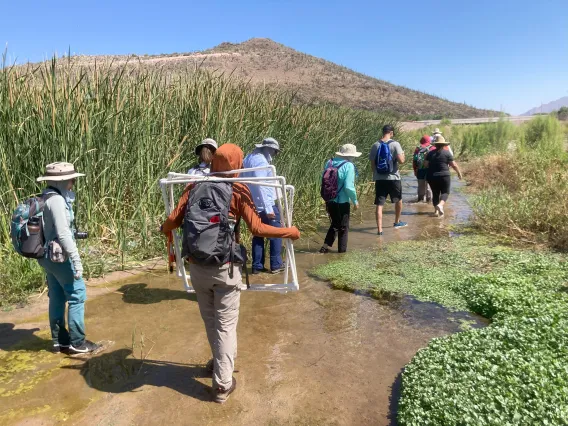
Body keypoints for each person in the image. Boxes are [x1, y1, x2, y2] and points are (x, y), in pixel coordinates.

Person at [161, 144, 300, 404]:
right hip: (226, 268)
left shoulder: (192, 186)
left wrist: (164, 230)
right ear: (238, 165)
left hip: (198, 268)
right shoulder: (238, 189)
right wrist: (288, 232)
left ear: (213, 163)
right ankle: (223, 384)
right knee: (225, 325)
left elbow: (171, 223)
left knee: (212, 321)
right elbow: (258, 229)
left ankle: (217, 363)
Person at [36, 162, 100, 355]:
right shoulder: (56, 201)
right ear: (62, 181)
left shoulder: (45, 196)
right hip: (59, 257)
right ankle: (77, 343)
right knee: (76, 295)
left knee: (56, 296)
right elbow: (63, 234)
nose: (73, 182)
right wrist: (77, 260)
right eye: (71, 179)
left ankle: (59, 342)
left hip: (47, 256)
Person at [241, 137, 284, 274]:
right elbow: (261, 184)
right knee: (275, 233)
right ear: (269, 149)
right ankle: (276, 265)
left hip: (252, 203)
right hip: (264, 204)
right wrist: (269, 208)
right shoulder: (261, 160)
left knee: (258, 234)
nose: (274, 154)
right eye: (274, 151)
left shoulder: (248, 158)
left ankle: (257, 266)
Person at [319, 144, 360, 254]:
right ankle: (342, 253)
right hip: (342, 201)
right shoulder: (349, 166)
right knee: (343, 228)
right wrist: (355, 201)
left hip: (330, 199)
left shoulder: (329, 162)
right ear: (350, 155)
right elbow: (348, 186)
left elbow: (322, 180)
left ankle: (325, 247)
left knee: (335, 223)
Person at [369, 125, 407, 235]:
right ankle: (396, 222)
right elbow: (401, 161)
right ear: (391, 133)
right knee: (398, 200)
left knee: (379, 204)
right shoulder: (395, 144)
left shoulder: (375, 145)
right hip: (394, 177)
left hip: (380, 178)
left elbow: (372, 163)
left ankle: (380, 230)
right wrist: (403, 154)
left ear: (383, 132)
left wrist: (376, 175)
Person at [425, 136, 463, 217]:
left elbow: (425, 164)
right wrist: (459, 173)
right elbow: (454, 165)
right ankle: (441, 205)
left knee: (435, 194)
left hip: (432, 176)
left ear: (435, 145)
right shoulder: (447, 153)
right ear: (443, 145)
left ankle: (436, 212)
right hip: (444, 175)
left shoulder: (430, 153)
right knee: (445, 192)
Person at [413, 135, 435, 202]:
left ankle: (420, 200)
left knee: (421, 186)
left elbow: (415, 160)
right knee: (429, 187)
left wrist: (415, 170)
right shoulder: (433, 148)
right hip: (430, 170)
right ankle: (429, 201)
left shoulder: (418, 148)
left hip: (420, 169)